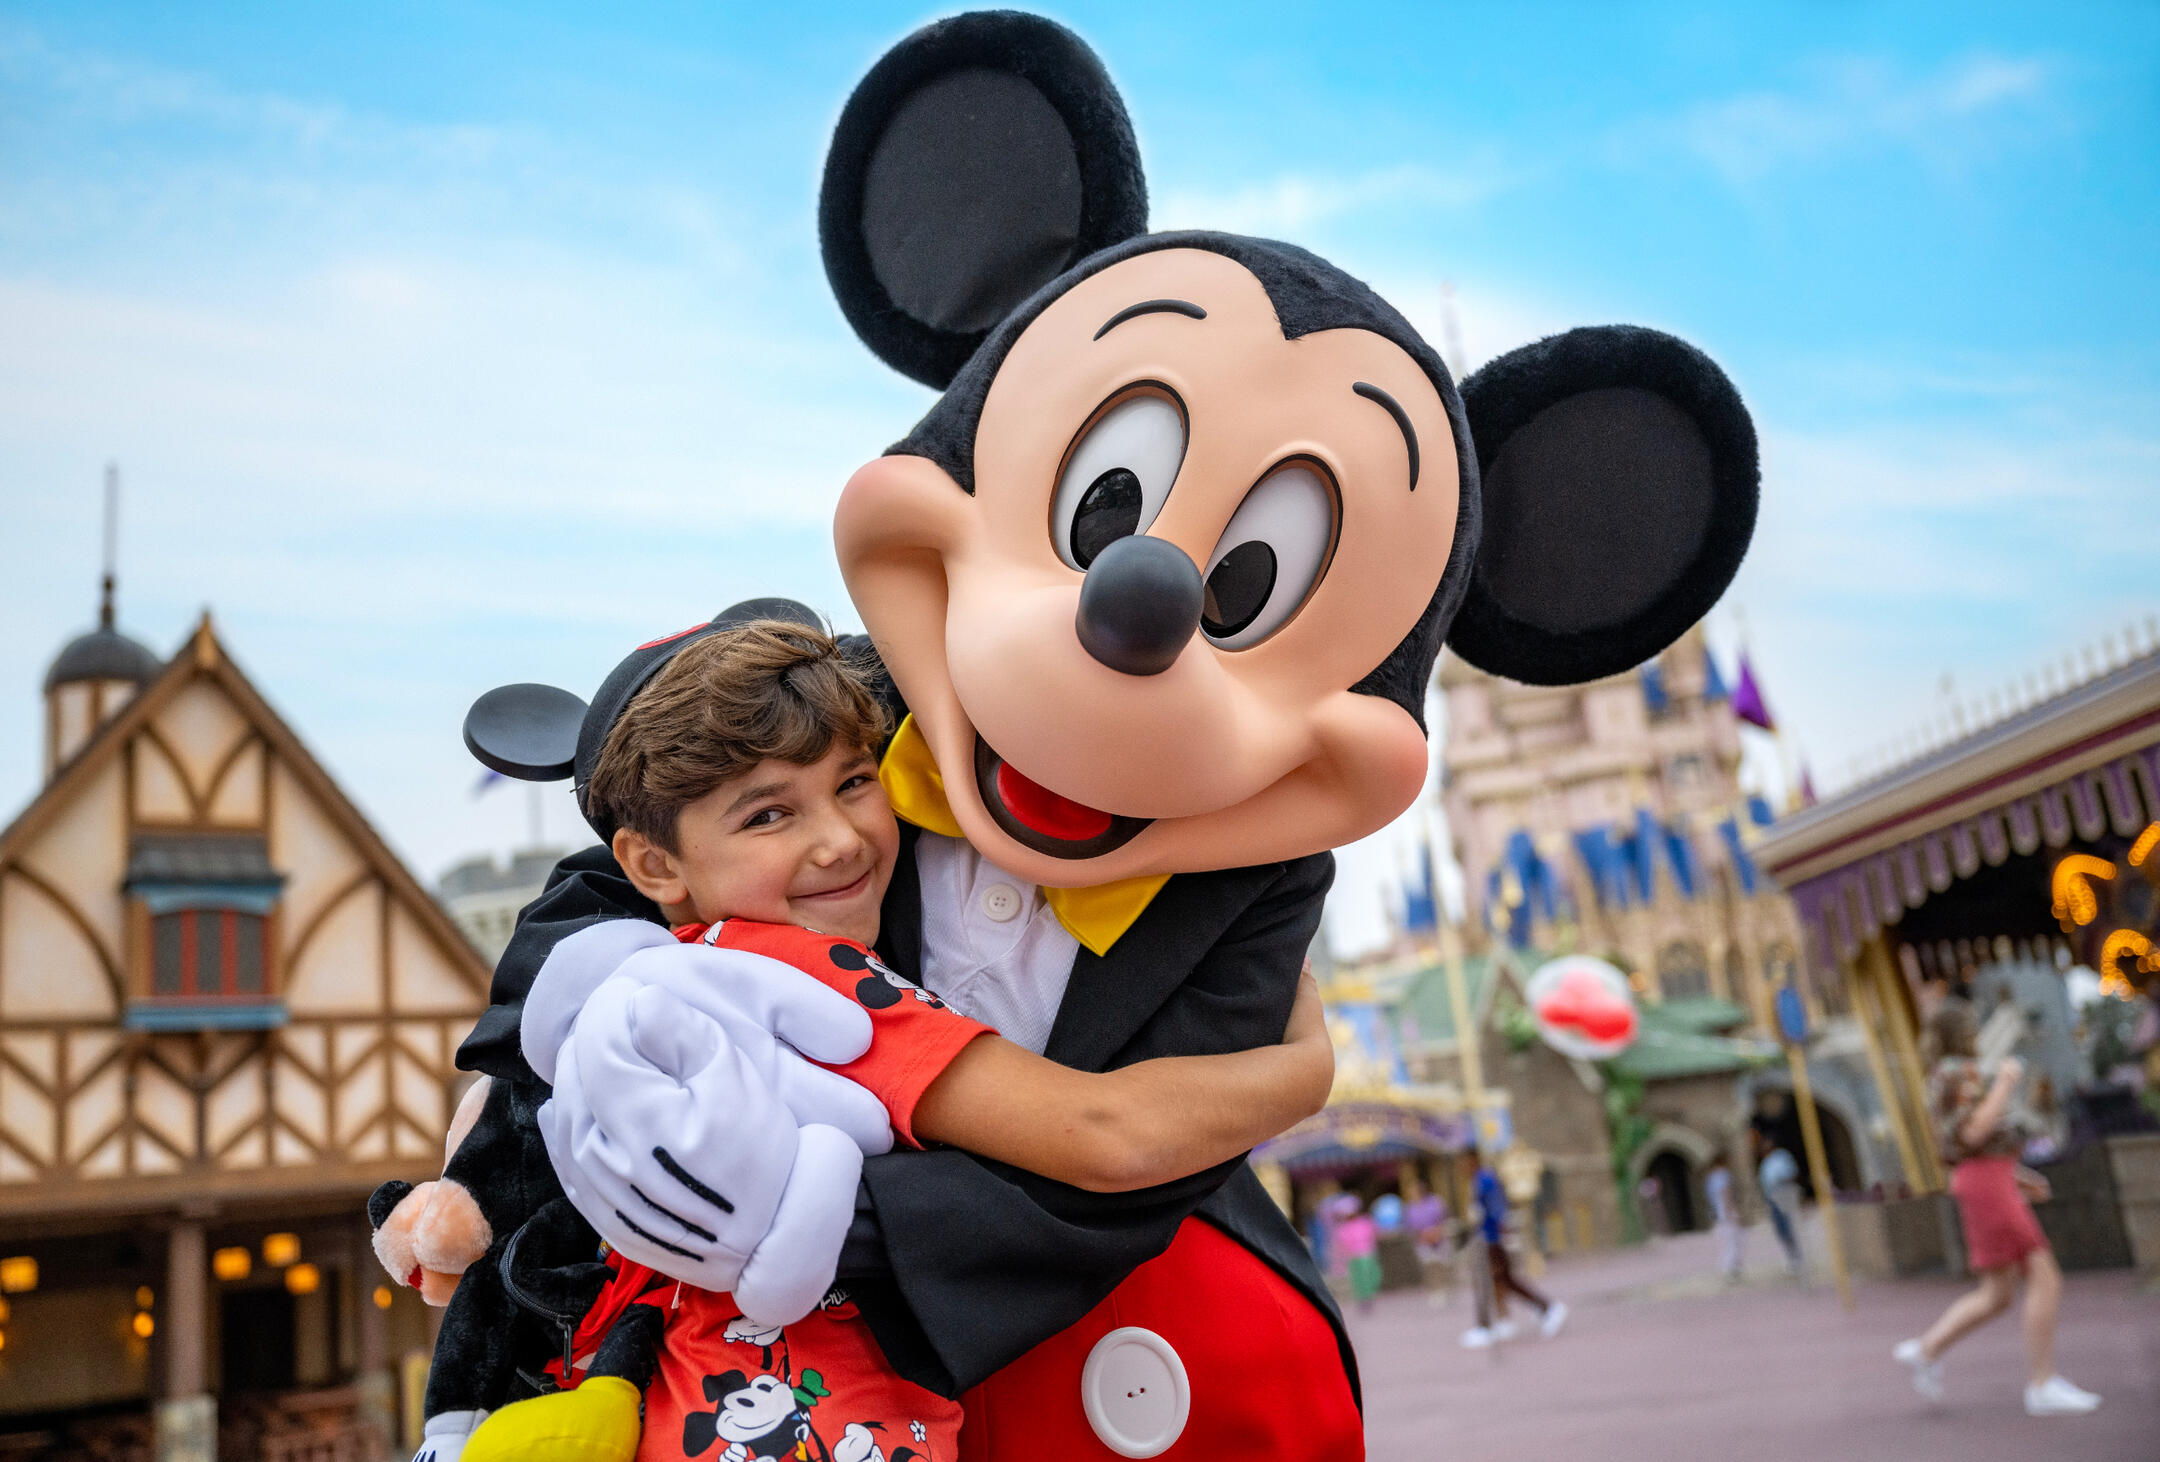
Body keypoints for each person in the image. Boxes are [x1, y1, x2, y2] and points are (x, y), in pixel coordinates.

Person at [458, 622, 1336, 1461]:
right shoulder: (806, 976)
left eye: (854, 782)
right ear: (650, 866)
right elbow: (1101, 1132)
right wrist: (1299, 1077)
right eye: (768, 816)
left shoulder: (639, 981)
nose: (839, 841)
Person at [1894, 999, 2100, 1418]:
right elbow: (1973, 1132)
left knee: (1998, 1292)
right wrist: (2006, 1081)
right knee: (2043, 1273)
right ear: (1961, 1032)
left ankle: (1928, 1349)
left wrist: (2016, 1176)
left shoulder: (1940, 1074)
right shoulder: (1961, 1071)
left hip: (1981, 1179)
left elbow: (1967, 1146)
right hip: (1986, 1181)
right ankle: (2042, 1384)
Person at [1461, 1147, 1566, 1347]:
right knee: (1499, 1280)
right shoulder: (1478, 1180)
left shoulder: (1485, 1179)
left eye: (1465, 1161)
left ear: (1473, 1159)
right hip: (1488, 1238)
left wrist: (1497, 1230)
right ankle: (1506, 1319)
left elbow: (1496, 1208)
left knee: (1493, 1280)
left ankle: (1542, 1309)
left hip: (1492, 1239)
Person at [1753, 1126, 1804, 1276]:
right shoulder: (1765, 1161)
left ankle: (1799, 1258)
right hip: (1772, 1198)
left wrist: (1783, 1183)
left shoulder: (1781, 1156)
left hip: (1784, 1194)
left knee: (1791, 1226)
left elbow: (1792, 1174)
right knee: (1781, 1229)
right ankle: (1791, 1258)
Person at [1335, 1200, 1382, 1315]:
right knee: (1358, 1279)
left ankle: (1369, 1296)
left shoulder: (1364, 1222)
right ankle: (1363, 1299)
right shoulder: (1344, 1228)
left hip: (1367, 1253)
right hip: (1354, 1256)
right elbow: (1342, 1243)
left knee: (1371, 1276)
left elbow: (1375, 1234)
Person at [1705, 1154, 1743, 1281]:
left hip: (1717, 1213)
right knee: (1733, 1240)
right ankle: (1731, 1268)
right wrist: (1730, 1212)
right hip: (1726, 1211)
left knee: (1724, 1241)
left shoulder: (1710, 1178)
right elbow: (1726, 1193)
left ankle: (1727, 1267)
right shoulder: (1723, 1175)